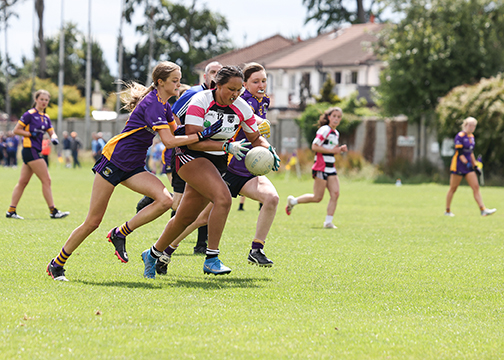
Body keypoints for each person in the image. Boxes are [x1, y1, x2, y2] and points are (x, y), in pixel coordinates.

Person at [45, 61, 223, 281]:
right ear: (160, 82)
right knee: (93, 221)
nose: (179, 84)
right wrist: (200, 136)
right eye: (174, 80)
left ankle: (120, 233)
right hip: (114, 161)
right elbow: (169, 141)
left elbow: (178, 132)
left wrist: (208, 131)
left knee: (165, 201)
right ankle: (57, 264)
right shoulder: (153, 104)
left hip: (134, 166)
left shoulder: (165, 104)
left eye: (179, 80)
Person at [141, 65, 280, 278]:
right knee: (223, 199)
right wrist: (225, 146)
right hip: (190, 157)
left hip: (217, 162)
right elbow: (194, 140)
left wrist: (267, 149)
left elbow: (255, 137)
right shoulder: (201, 101)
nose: (234, 94)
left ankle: (153, 253)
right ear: (217, 85)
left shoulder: (242, 107)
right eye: (230, 89)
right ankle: (212, 258)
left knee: (185, 217)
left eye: (238, 90)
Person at [136, 61, 223, 254]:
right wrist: (196, 135)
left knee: (206, 202)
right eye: (214, 72)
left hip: (201, 153)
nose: (217, 76)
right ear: (205, 76)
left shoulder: (222, 98)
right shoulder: (193, 95)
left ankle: (195, 246)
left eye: (220, 72)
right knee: (180, 204)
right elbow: (173, 124)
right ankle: (161, 245)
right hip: (183, 153)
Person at [6, 89, 69, 220]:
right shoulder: (29, 114)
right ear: (36, 100)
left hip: (35, 150)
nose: (44, 102)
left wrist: (54, 138)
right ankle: (53, 211)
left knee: (22, 182)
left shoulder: (45, 117)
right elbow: (16, 130)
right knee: (47, 180)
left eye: (46, 100)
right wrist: (29, 134)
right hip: (29, 150)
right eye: (42, 99)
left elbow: (52, 132)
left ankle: (11, 211)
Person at [286, 107, 348, 228]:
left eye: (339, 117)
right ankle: (293, 201)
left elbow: (330, 150)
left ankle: (328, 222)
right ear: (329, 117)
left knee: (335, 194)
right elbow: (314, 146)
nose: (336, 119)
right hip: (321, 166)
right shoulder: (325, 130)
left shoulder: (336, 133)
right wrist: (332, 150)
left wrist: (339, 150)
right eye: (334, 116)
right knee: (317, 197)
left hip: (331, 167)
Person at [445, 117, 496, 217]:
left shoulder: (471, 137)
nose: (472, 127)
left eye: (474, 126)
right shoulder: (460, 136)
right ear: (465, 125)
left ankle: (483, 210)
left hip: (468, 166)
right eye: (470, 125)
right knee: (453, 188)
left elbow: (471, 153)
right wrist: (467, 163)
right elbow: (460, 154)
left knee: (476, 187)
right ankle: (447, 211)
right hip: (458, 165)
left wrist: (475, 166)